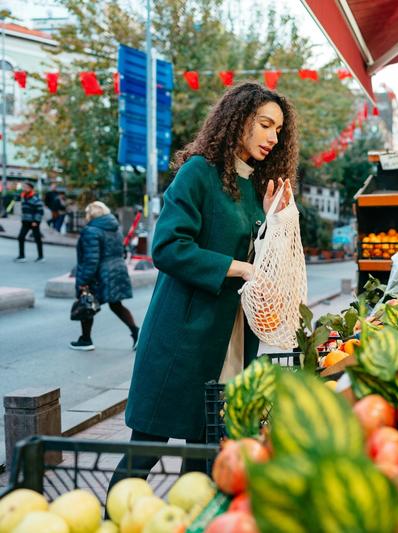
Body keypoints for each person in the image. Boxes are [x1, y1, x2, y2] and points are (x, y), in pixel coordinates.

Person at [109, 82, 298, 486]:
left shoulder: (254, 185)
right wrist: (238, 268)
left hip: (230, 339)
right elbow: (168, 247)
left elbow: (260, 259)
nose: (273, 137)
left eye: (278, 129)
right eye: (265, 124)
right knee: (146, 448)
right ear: (238, 120)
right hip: (183, 337)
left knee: (206, 451)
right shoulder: (200, 172)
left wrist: (270, 219)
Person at [71, 201, 139, 351]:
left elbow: (91, 259)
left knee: (86, 303)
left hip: (100, 274)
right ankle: (136, 332)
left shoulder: (91, 230)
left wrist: (84, 280)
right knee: (116, 305)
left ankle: (86, 340)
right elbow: (121, 250)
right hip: (116, 269)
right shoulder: (115, 228)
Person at [14, 181, 45, 263]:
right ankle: (22, 256)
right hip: (25, 221)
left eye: (26, 187)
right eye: (23, 187)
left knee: (37, 239)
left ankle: (41, 257)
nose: (24, 188)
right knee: (21, 237)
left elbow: (40, 211)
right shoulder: (24, 197)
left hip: (34, 222)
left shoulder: (35, 198)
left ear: (31, 188)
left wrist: (36, 221)